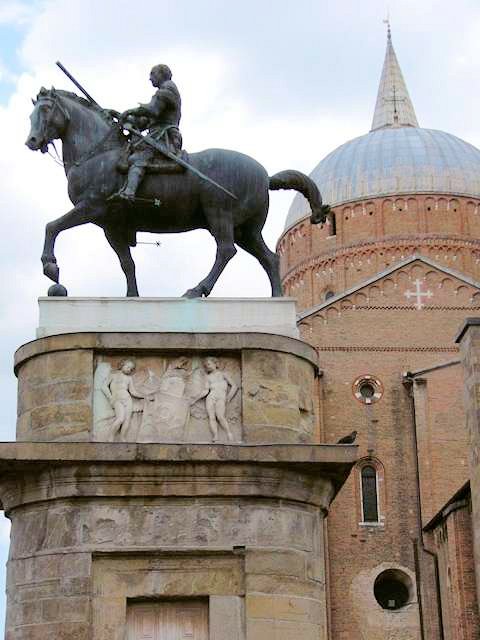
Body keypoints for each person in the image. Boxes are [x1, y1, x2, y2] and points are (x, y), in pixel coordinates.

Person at [117, 64, 183, 201]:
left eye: (152, 74)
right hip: (157, 134)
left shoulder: (167, 89)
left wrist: (130, 111)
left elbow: (153, 110)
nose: (150, 78)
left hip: (164, 137)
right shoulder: (164, 92)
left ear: (162, 74)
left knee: (139, 158)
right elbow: (145, 120)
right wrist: (121, 116)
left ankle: (129, 192)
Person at [193, 357, 238, 442]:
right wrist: (194, 399)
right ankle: (215, 436)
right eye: (206, 366)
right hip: (211, 397)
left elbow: (234, 386)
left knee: (220, 416)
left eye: (209, 364)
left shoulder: (223, 374)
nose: (207, 366)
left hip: (221, 397)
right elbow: (205, 391)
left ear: (215, 364)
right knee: (212, 417)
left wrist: (229, 398)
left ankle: (229, 433)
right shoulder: (208, 377)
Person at [101, 359, 144, 440]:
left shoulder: (129, 378)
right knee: (120, 419)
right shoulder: (113, 375)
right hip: (117, 399)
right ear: (122, 365)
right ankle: (110, 437)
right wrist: (110, 398)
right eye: (127, 367)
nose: (128, 369)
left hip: (127, 399)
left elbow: (133, 391)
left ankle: (122, 438)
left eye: (130, 369)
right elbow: (104, 387)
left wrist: (144, 396)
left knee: (127, 420)